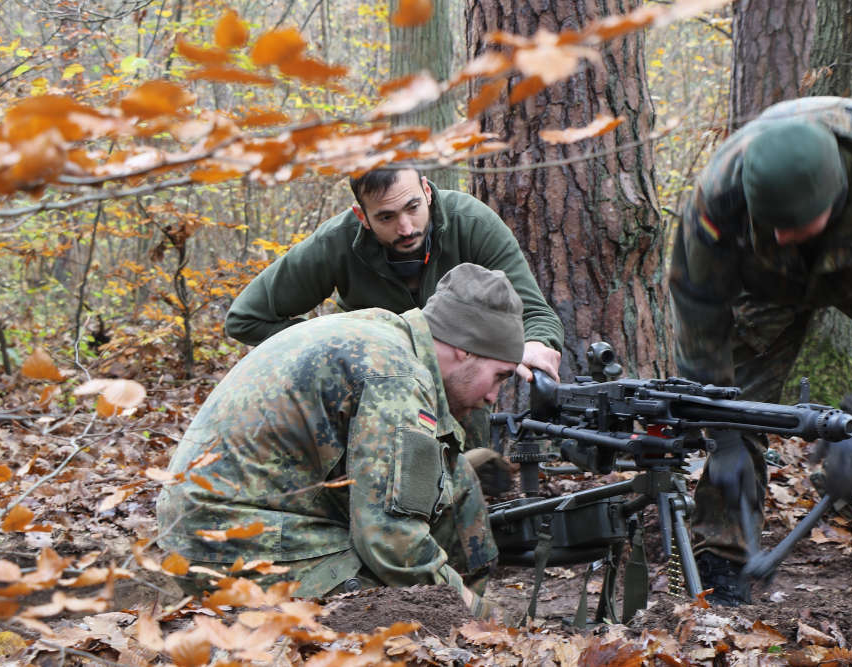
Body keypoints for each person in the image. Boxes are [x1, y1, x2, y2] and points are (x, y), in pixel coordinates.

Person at [669, 96, 852, 607]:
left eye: (793, 224)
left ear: (834, 201)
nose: (781, 234)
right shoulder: (718, 198)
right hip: (765, 284)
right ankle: (722, 562)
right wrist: (722, 433)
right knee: (732, 403)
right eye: (773, 224)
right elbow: (698, 311)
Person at [156, 263, 527, 619]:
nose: (494, 396)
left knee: (456, 474)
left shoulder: (382, 334)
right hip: (225, 545)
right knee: (392, 609)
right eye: (498, 376)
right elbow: (392, 542)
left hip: (214, 524)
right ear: (466, 350)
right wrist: (476, 615)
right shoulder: (397, 376)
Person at [224, 167, 564, 384]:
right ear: (362, 216)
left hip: (456, 380)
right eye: (386, 217)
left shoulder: (471, 223)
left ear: (427, 191)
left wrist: (537, 344)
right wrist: (342, 350)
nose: (405, 228)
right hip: (371, 384)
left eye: (413, 208)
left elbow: (534, 313)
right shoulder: (336, 242)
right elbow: (246, 319)